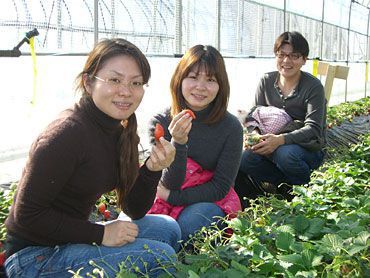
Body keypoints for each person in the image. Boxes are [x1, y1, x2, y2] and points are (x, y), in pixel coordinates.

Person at [4, 38, 181, 278]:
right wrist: (100, 235)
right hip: (33, 257)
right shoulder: (67, 134)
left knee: (167, 229)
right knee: (160, 256)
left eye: (136, 82)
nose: (126, 91)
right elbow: (28, 215)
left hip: (69, 239)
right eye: (114, 80)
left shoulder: (122, 128)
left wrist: (152, 169)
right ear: (88, 82)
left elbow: (133, 208)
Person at [148, 45, 243, 243]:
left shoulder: (231, 127)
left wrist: (173, 198)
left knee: (188, 226)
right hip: (163, 195)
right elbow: (168, 183)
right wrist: (179, 143)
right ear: (179, 80)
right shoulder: (161, 122)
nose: (200, 87)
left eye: (210, 80)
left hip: (207, 199)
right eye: (192, 77)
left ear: (220, 86)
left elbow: (220, 187)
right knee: (149, 229)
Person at [238, 31, 326, 200]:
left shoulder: (313, 86)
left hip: (307, 148)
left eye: (294, 56)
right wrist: (255, 137)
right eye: (282, 54)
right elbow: (253, 116)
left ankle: (303, 187)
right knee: (244, 158)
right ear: (276, 55)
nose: (286, 61)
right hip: (271, 143)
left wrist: (280, 140)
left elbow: (314, 129)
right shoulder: (266, 81)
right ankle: (284, 186)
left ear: (304, 59)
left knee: (285, 154)